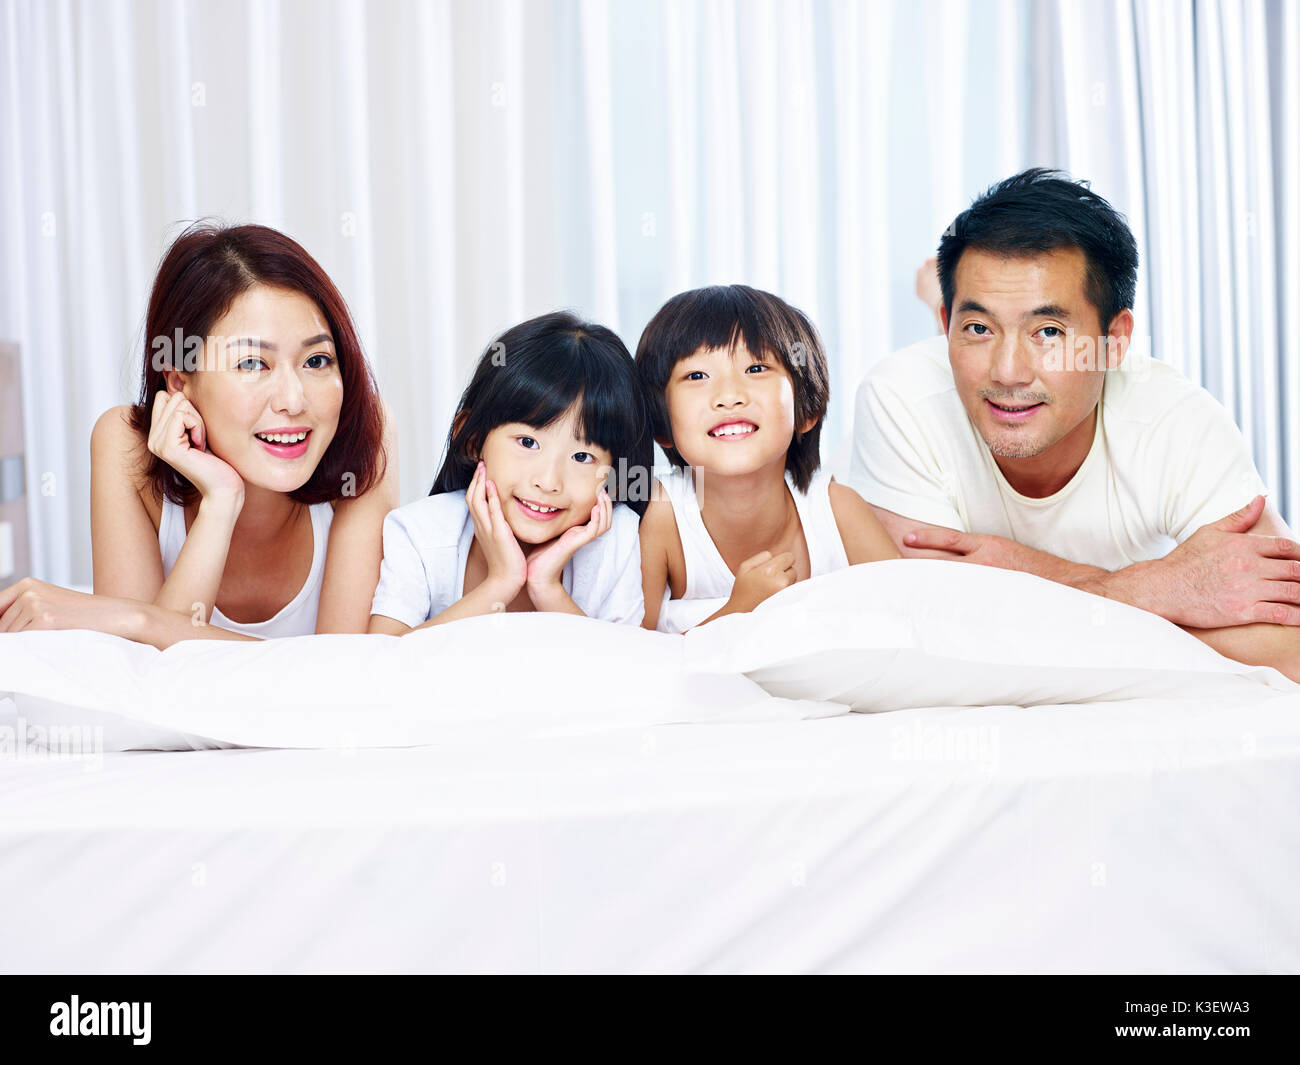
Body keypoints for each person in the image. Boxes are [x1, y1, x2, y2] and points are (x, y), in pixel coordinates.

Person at [851, 168, 1300, 679]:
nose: (1008, 372)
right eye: (976, 327)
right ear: (944, 326)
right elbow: (936, 636)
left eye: (1047, 331)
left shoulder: (1176, 420)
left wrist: (1024, 575)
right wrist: (1157, 589)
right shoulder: (901, 398)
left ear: (1113, 340)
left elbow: (1291, 646)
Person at [0, 222, 398, 645]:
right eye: (251, 364)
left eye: (316, 361)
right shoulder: (124, 445)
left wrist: (140, 622)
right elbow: (141, 681)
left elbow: (345, 669)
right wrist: (220, 503)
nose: (294, 400)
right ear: (179, 381)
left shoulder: (363, 434)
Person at [636, 284, 898, 633]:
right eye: (696, 376)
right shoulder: (662, 515)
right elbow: (636, 655)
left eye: (756, 369)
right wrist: (740, 610)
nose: (728, 396)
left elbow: (905, 616)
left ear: (805, 410)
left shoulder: (838, 510)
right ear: (661, 424)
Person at [368, 311, 650, 632]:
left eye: (582, 456)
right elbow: (385, 659)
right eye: (528, 442)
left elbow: (623, 672)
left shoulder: (617, 540)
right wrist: (501, 582)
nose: (548, 481)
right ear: (472, 440)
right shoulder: (419, 533)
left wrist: (547, 587)